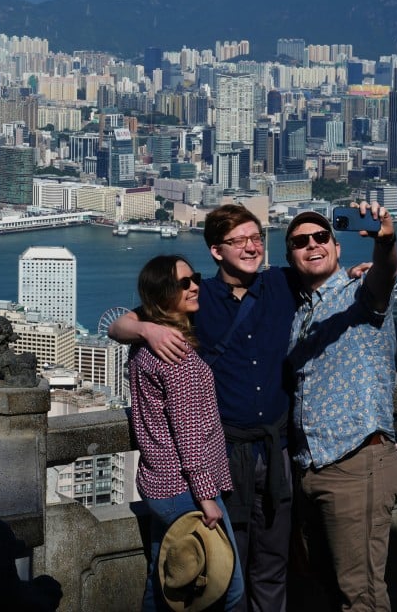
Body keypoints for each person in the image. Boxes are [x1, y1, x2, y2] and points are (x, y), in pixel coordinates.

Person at [111, 205, 296, 612]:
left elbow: (329, 279)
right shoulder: (188, 319)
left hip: (274, 447)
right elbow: (117, 326)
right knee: (221, 573)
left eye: (256, 237)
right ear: (216, 250)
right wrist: (145, 327)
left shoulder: (282, 284)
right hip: (220, 462)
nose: (251, 247)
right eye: (238, 240)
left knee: (177, 570)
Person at [284, 203, 397, 612]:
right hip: (311, 471)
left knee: (361, 596)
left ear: (336, 247)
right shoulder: (299, 314)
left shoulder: (360, 294)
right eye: (300, 242)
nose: (312, 245)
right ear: (291, 257)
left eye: (320, 238)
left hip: (357, 463)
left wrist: (385, 241)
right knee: (330, 595)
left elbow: (385, 276)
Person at [127, 254, 243, 611]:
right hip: (186, 489)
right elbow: (190, 438)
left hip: (157, 483)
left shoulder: (145, 347)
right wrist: (207, 497)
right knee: (228, 588)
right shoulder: (179, 359)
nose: (195, 286)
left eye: (194, 278)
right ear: (163, 294)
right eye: (184, 283)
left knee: (163, 580)